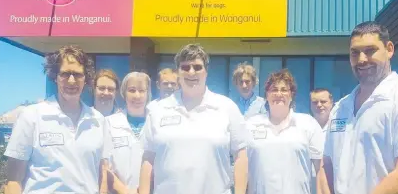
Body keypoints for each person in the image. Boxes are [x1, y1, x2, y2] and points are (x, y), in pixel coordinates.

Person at [317, 21, 398, 194]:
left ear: (389, 49)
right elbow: (326, 165)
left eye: (370, 51)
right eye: (355, 53)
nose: (362, 59)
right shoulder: (340, 107)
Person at [138, 44, 249, 194]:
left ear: (206, 72)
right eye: (185, 67)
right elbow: (148, 159)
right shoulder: (157, 110)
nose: (191, 72)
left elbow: (240, 156)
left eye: (197, 67)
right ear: (178, 72)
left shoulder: (226, 107)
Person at [4, 45, 111, 194]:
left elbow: (102, 174)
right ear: (55, 77)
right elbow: (14, 181)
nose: (72, 80)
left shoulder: (98, 120)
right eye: (65, 74)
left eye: (78, 74)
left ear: (86, 78)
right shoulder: (31, 116)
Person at [246, 69, 324, 194]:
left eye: (284, 90)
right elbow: (242, 166)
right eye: (274, 89)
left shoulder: (308, 124)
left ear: (291, 94)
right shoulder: (250, 125)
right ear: (266, 95)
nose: (278, 93)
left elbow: (320, 168)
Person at [103, 72, 151, 194]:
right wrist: (125, 191)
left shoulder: (155, 122)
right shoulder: (109, 123)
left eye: (142, 90)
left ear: (148, 94)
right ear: (124, 93)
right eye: (132, 90)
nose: (137, 95)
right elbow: (104, 166)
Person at [309, 88, 334, 194]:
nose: (319, 105)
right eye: (315, 102)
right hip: (310, 183)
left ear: (331, 103)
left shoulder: (338, 126)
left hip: (333, 181)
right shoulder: (304, 126)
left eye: (323, 101)